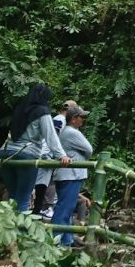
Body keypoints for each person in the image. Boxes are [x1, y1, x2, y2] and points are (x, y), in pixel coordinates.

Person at [0, 84, 71, 211]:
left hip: (6, 151)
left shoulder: (20, 108)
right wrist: (62, 155)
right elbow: (51, 136)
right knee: (23, 199)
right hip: (27, 154)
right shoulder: (42, 112)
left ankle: (7, 229)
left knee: (12, 197)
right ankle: (20, 230)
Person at [51, 104, 93, 247]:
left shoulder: (67, 132)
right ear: (73, 119)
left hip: (69, 175)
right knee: (64, 208)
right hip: (70, 175)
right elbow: (89, 149)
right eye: (81, 117)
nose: (83, 120)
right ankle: (55, 240)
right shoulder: (72, 132)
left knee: (67, 209)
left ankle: (66, 240)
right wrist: (82, 156)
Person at [34, 99, 75, 216]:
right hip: (48, 154)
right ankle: (41, 208)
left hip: (50, 154)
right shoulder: (59, 120)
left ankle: (40, 208)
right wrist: (57, 154)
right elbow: (52, 138)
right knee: (43, 183)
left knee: (44, 183)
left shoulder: (59, 119)